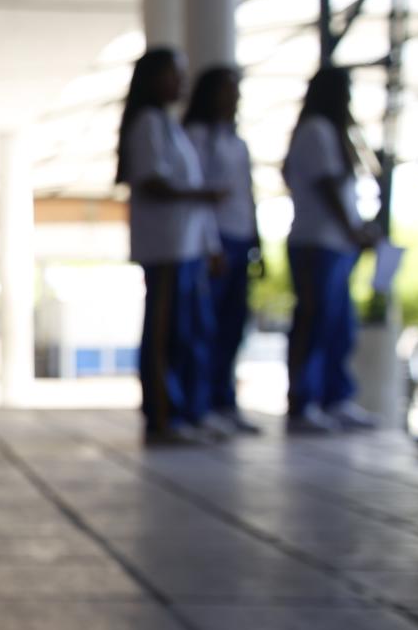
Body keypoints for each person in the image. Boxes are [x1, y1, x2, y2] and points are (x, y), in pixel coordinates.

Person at [118, 47, 225, 446]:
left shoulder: (167, 124)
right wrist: (200, 195)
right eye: (173, 74)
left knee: (189, 333)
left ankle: (186, 411)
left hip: (185, 246)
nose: (180, 82)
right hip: (165, 247)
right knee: (165, 336)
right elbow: (151, 180)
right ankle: (163, 416)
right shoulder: (148, 123)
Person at [281, 66, 380, 433]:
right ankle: (304, 401)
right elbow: (324, 187)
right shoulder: (316, 131)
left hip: (336, 244)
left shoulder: (334, 134)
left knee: (339, 324)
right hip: (316, 243)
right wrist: (351, 229)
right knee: (314, 322)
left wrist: (357, 229)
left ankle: (334, 398)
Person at [183, 66, 262, 435]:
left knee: (233, 326)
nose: (234, 98)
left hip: (241, 237)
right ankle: (200, 403)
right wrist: (211, 243)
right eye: (228, 90)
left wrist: (256, 239)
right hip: (215, 242)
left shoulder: (237, 141)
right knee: (206, 326)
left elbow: (247, 193)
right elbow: (200, 197)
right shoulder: (198, 137)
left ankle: (223, 399)